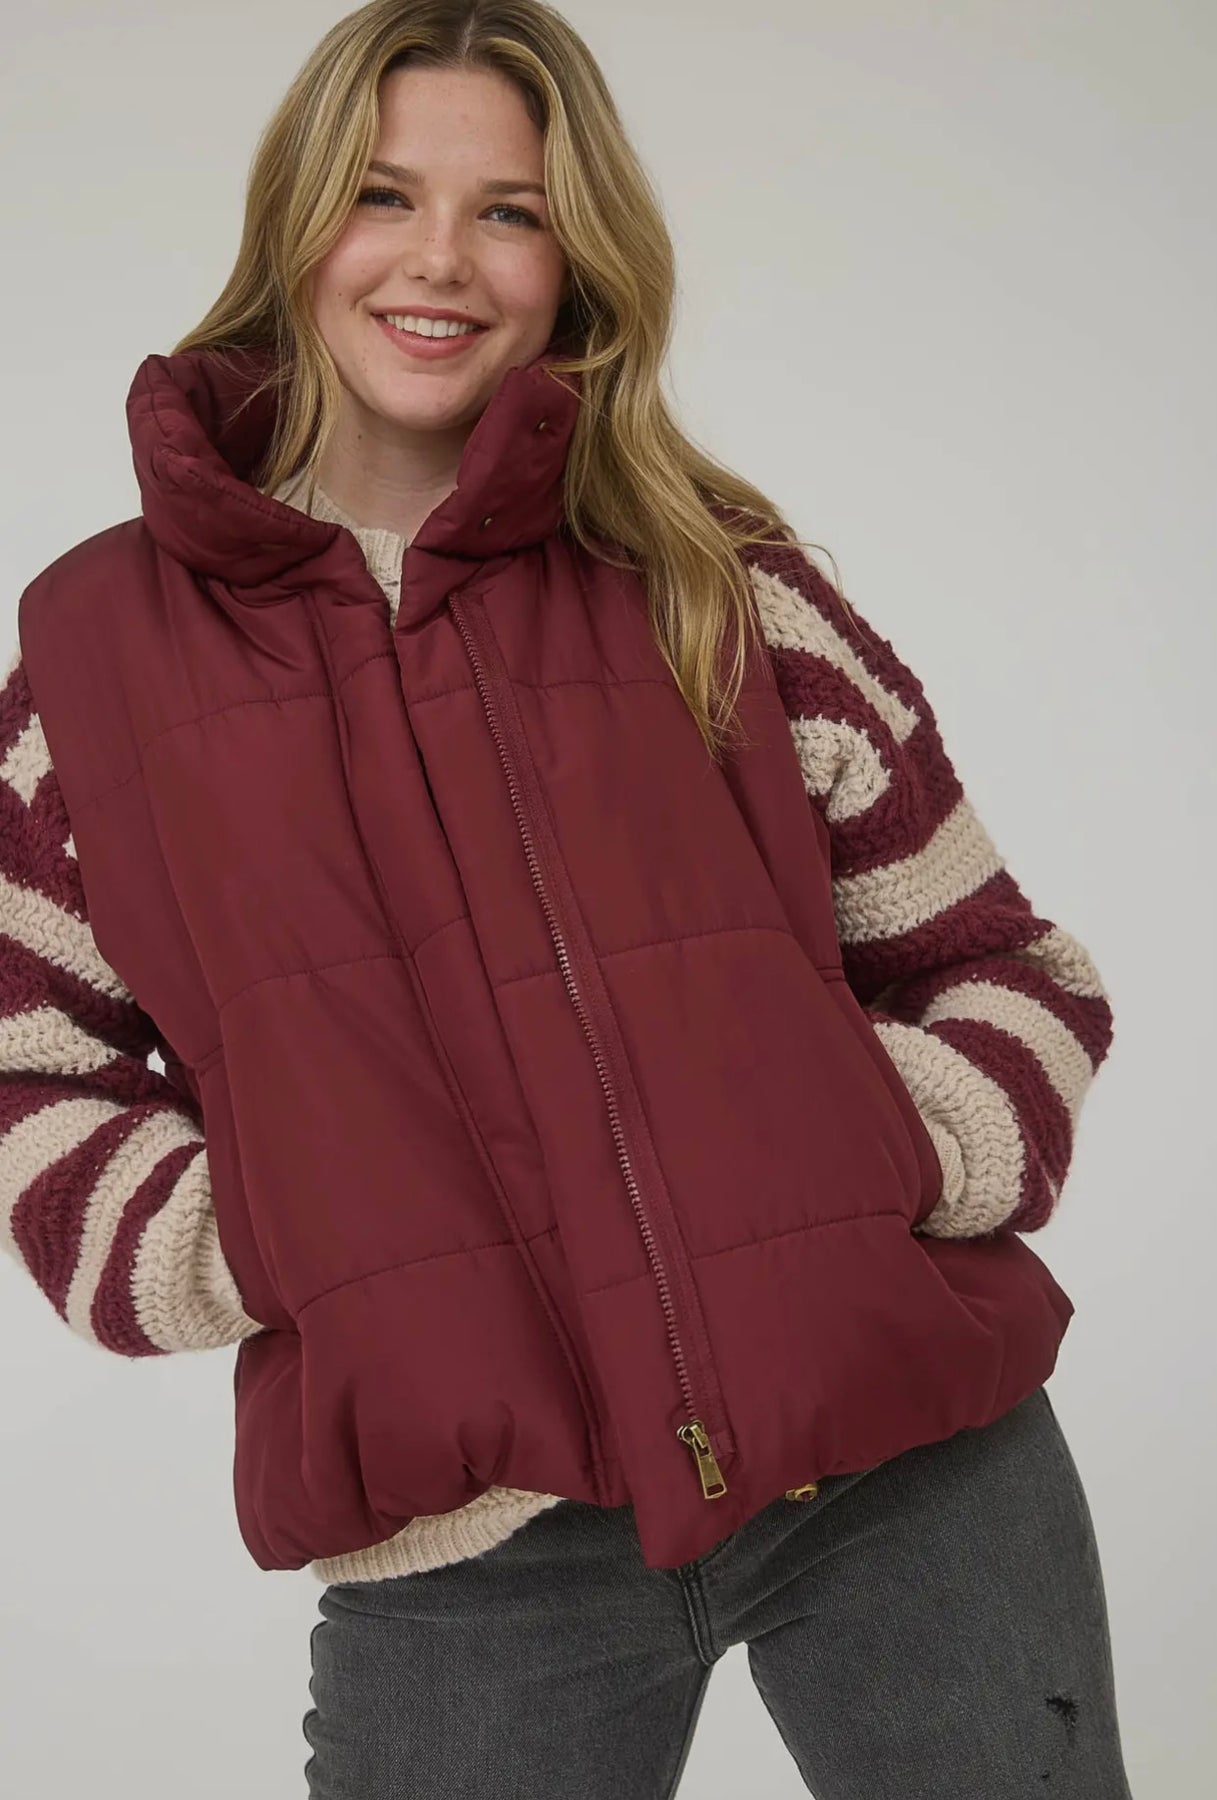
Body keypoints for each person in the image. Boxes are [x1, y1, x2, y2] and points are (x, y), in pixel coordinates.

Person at [0, 2, 1134, 1794]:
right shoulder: (95, 665)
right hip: (472, 1558)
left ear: (574, 263)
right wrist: (279, 1238)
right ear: (296, 222)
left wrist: (876, 1149)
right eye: (382, 194)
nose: (439, 261)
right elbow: (33, 1075)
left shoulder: (713, 582)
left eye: (510, 211)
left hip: (908, 1472)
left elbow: (998, 967)